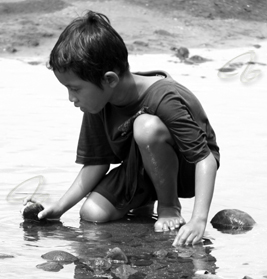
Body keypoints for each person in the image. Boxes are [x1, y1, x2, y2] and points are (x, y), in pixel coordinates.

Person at [38, 10, 220, 246]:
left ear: (110, 79)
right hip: (140, 167)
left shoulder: (164, 97)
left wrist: (198, 220)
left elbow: (205, 159)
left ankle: (168, 207)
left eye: (75, 89)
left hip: (185, 170)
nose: (71, 98)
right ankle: (143, 204)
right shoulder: (100, 101)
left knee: (146, 127)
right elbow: (96, 163)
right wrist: (60, 208)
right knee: (92, 214)